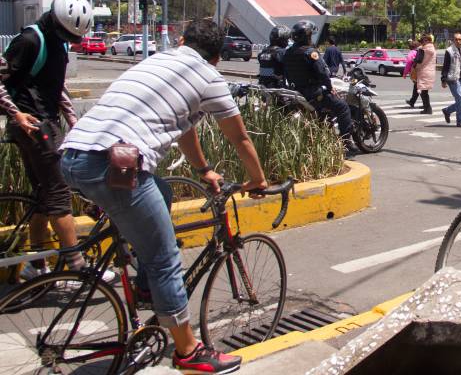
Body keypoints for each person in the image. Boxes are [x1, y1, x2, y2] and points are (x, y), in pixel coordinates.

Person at [60, 18, 267, 373]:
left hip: (73, 156)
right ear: (217, 57)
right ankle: (188, 352)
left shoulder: (157, 60)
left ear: (183, 40)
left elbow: (185, 128)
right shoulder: (208, 77)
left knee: (163, 190)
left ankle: (145, 289)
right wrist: (259, 179)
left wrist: (203, 170)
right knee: (164, 259)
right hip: (115, 168)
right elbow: (240, 137)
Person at [0, 0, 113, 281]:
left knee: (43, 195)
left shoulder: (59, 44)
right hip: (32, 124)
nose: (68, 41)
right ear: (55, 21)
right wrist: (16, 113)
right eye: (66, 34)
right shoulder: (29, 40)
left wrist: (74, 121)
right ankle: (78, 264)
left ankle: (35, 264)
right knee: (59, 190)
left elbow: (56, 87)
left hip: (48, 121)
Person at [283, 20, 355, 153]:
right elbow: (322, 73)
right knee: (343, 107)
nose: (311, 38)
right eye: (310, 36)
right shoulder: (310, 52)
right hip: (314, 93)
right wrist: (329, 87)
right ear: (306, 37)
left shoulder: (288, 53)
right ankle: (346, 141)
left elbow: (286, 74)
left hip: (298, 92)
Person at [413, 34, 436, 114]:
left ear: (426, 41)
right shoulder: (433, 49)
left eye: (422, 41)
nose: (421, 43)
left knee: (423, 92)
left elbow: (418, 61)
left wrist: (415, 67)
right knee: (425, 92)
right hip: (431, 72)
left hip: (424, 72)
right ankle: (427, 108)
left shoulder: (422, 50)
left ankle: (427, 109)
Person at [402, 39, 420, 108]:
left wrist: (405, 73)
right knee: (417, 87)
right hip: (422, 71)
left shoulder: (411, 53)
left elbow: (409, 63)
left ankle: (425, 104)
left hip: (415, 72)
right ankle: (412, 101)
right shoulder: (420, 52)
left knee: (418, 87)